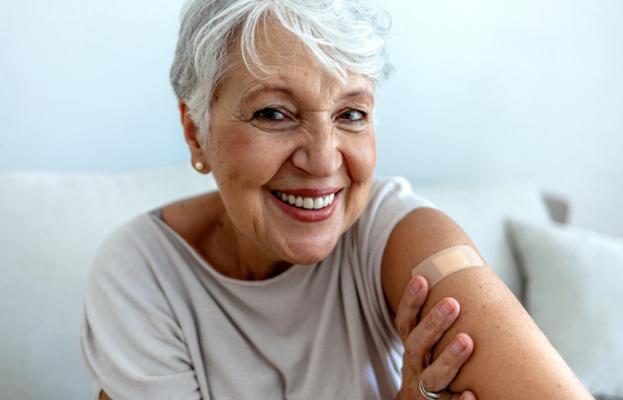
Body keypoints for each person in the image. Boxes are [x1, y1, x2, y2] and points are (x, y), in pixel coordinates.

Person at [80, 1, 594, 399]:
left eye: (351, 114)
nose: (325, 161)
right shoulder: (141, 274)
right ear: (196, 133)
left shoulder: (399, 235)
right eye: (274, 114)